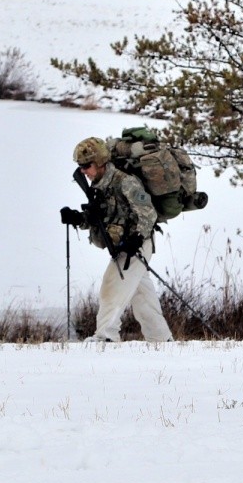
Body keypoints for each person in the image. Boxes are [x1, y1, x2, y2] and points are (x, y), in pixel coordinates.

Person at [61, 137, 172, 343]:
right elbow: (102, 218)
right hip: (122, 245)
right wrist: (78, 218)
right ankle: (161, 340)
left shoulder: (125, 182)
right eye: (80, 166)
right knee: (142, 297)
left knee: (112, 285)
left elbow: (148, 214)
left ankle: (106, 336)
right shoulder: (98, 185)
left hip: (137, 244)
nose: (83, 171)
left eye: (87, 165)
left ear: (100, 161)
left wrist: (137, 240)